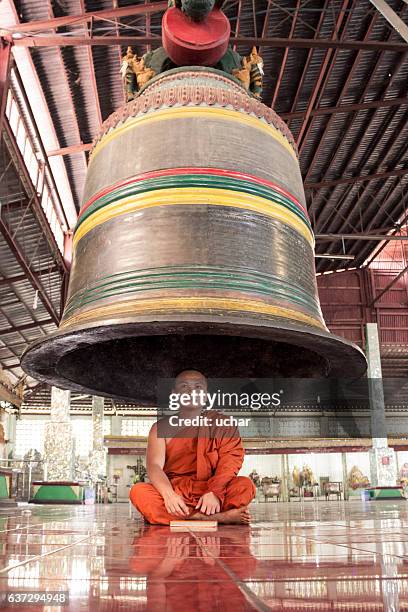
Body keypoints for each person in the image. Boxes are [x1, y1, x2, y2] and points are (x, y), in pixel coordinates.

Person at [130, 370, 256, 524]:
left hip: (211, 490)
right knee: (139, 492)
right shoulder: (160, 428)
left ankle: (179, 518)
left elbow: (230, 461)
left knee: (245, 485)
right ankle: (219, 517)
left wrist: (214, 492)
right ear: (174, 394)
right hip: (177, 492)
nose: (191, 391)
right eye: (184, 386)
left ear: (206, 395)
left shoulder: (223, 424)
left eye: (198, 387)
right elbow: (154, 466)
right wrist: (168, 494)